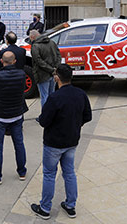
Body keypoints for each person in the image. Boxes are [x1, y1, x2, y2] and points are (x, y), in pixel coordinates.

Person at [30, 64, 92, 220]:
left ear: (56, 77)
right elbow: (87, 116)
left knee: (49, 175)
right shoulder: (80, 94)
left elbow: (44, 121)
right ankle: (71, 205)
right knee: (69, 173)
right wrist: (75, 125)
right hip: (72, 141)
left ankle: (45, 209)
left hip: (53, 143)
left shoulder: (55, 97)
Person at [0, 51, 28, 185]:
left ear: (2, 62)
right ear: (14, 61)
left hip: (0, 117)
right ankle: (22, 172)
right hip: (16, 114)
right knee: (19, 144)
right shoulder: (22, 74)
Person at [30, 30, 62, 107]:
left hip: (42, 75)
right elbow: (59, 56)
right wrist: (55, 69)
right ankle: (53, 114)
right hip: (53, 74)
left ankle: (45, 115)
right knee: (52, 94)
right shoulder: (52, 42)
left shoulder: (35, 46)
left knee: (44, 96)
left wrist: (51, 69)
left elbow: (38, 61)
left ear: (32, 37)